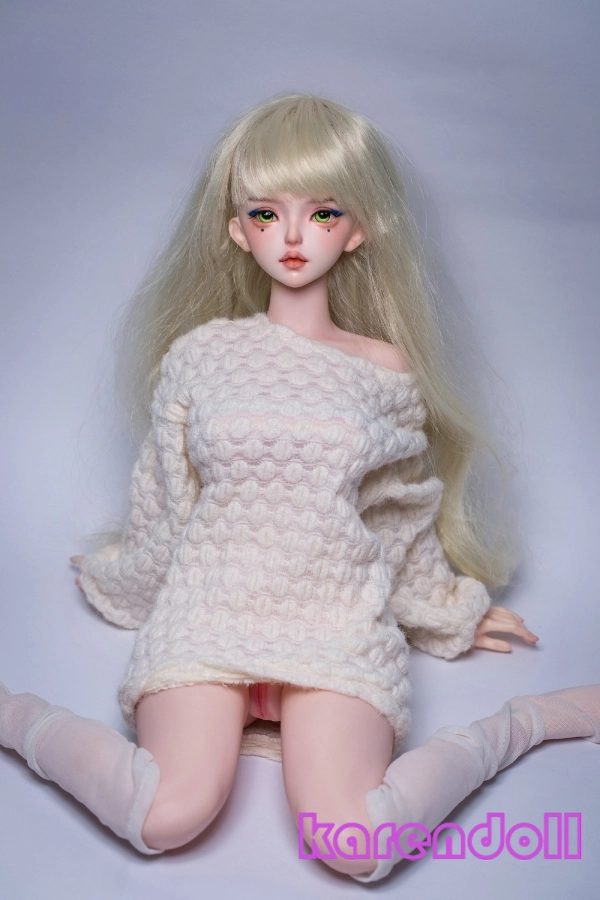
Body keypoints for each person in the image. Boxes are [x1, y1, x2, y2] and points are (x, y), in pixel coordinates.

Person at [0, 93, 597, 882]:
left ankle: (528, 724)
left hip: (334, 619)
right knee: (165, 813)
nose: (290, 236)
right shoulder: (200, 355)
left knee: (355, 844)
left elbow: (397, 511)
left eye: (321, 213)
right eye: (264, 213)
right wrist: (123, 570)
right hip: (210, 610)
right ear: (234, 229)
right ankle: (10, 713)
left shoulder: (385, 370)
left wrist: (449, 608)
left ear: (360, 229)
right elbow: (167, 493)